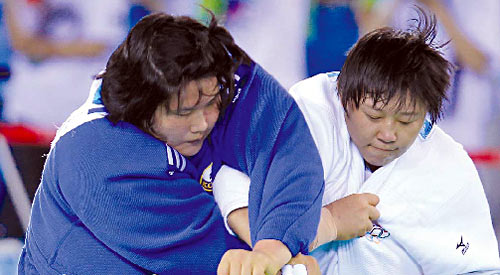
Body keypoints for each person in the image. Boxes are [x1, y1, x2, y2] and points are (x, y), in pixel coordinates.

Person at [18, 12, 325, 274]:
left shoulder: (212, 74)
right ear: (141, 108)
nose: (202, 123)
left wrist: (275, 244)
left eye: (212, 103)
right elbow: (220, 259)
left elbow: (284, 144)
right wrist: (308, 245)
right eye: (183, 113)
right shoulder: (97, 157)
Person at [212, 8, 500, 274]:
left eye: (406, 121)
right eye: (374, 117)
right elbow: (233, 181)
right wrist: (283, 246)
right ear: (344, 97)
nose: (388, 134)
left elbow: (478, 267)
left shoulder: (448, 167)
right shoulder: (310, 111)